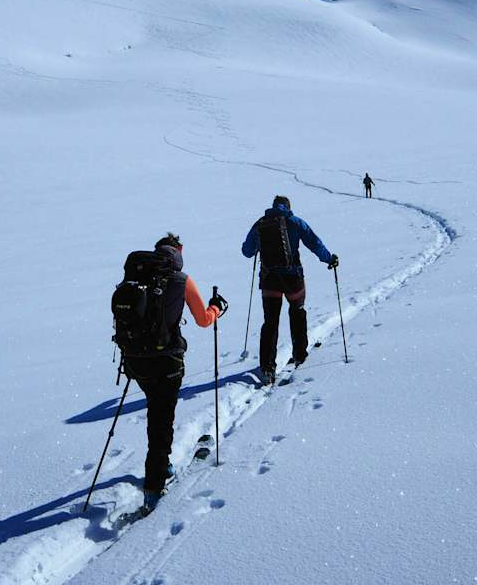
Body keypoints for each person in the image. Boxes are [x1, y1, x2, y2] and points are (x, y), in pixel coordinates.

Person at [119, 233, 226, 513]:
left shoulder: (136, 276)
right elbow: (203, 320)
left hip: (135, 361)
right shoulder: (181, 280)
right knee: (161, 422)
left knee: (157, 414)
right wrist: (216, 308)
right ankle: (154, 486)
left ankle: (160, 465)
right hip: (166, 362)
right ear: (178, 252)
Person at [241, 196, 337, 383]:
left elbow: (247, 251)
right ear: (288, 206)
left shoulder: (260, 224)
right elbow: (314, 242)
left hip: (269, 280)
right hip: (293, 278)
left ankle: (267, 367)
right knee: (297, 312)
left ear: (273, 206)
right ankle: (300, 354)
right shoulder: (295, 222)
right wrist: (329, 258)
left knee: (270, 322)